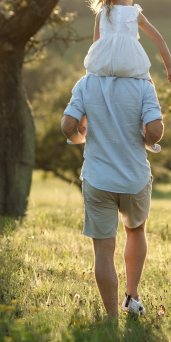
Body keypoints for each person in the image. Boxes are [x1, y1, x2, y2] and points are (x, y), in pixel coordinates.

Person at [61, 72, 163, 318]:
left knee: (104, 250)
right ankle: (132, 296)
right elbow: (156, 132)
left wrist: (80, 137)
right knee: (136, 231)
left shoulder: (86, 83)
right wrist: (144, 138)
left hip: (98, 178)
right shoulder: (143, 85)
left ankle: (111, 318)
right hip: (134, 178)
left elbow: (68, 127)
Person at [84, 0, 171, 152]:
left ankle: (84, 124)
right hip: (129, 64)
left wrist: (93, 70)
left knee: (87, 87)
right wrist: (170, 68)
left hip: (103, 65)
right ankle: (146, 129)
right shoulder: (135, 13)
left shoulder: (101, 14)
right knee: (149, 87)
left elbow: (96, 45)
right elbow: (159, 40)